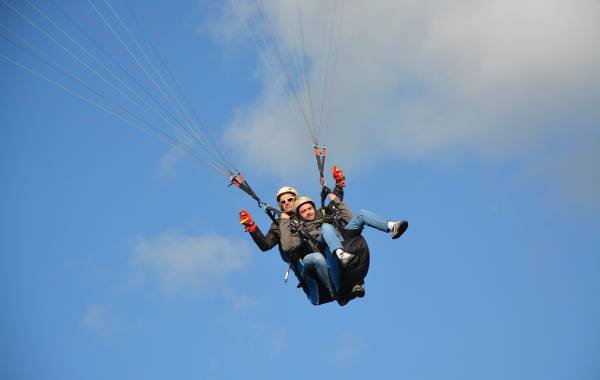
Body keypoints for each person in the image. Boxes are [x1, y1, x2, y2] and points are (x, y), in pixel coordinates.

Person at [286, 194, 408, 304]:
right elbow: (291, 246)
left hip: (342, 239)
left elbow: (349, 219)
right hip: (322, 245)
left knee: (361, 214)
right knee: (327, 228)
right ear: (299, 215)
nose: (308, 212)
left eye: (309, 209)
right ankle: (340, 254)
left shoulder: (324, 215)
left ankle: (392, 226)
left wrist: (337, 202)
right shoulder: (300, 230)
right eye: (303, 211)